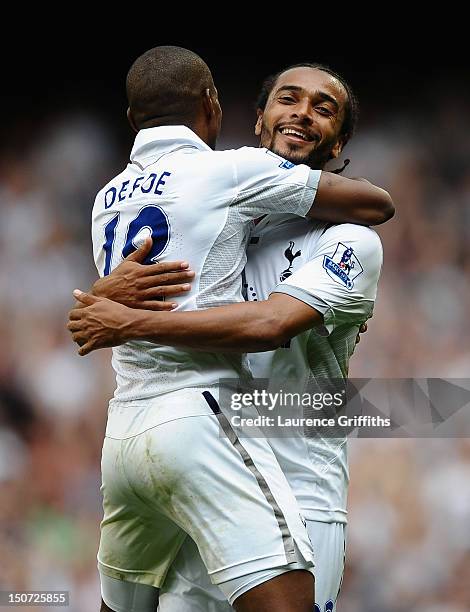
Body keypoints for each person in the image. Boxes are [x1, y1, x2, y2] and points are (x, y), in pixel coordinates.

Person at [70, 47, 393, 612]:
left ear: (337, 143)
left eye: (324, 109)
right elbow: (118, 301)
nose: (302, 113)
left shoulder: (350, 241)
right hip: (206, 475)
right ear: (257, 122)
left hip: (300, 485)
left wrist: (125, 318)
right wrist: (100, 297)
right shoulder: (218, 218)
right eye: (288, 99)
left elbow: (271, 323)